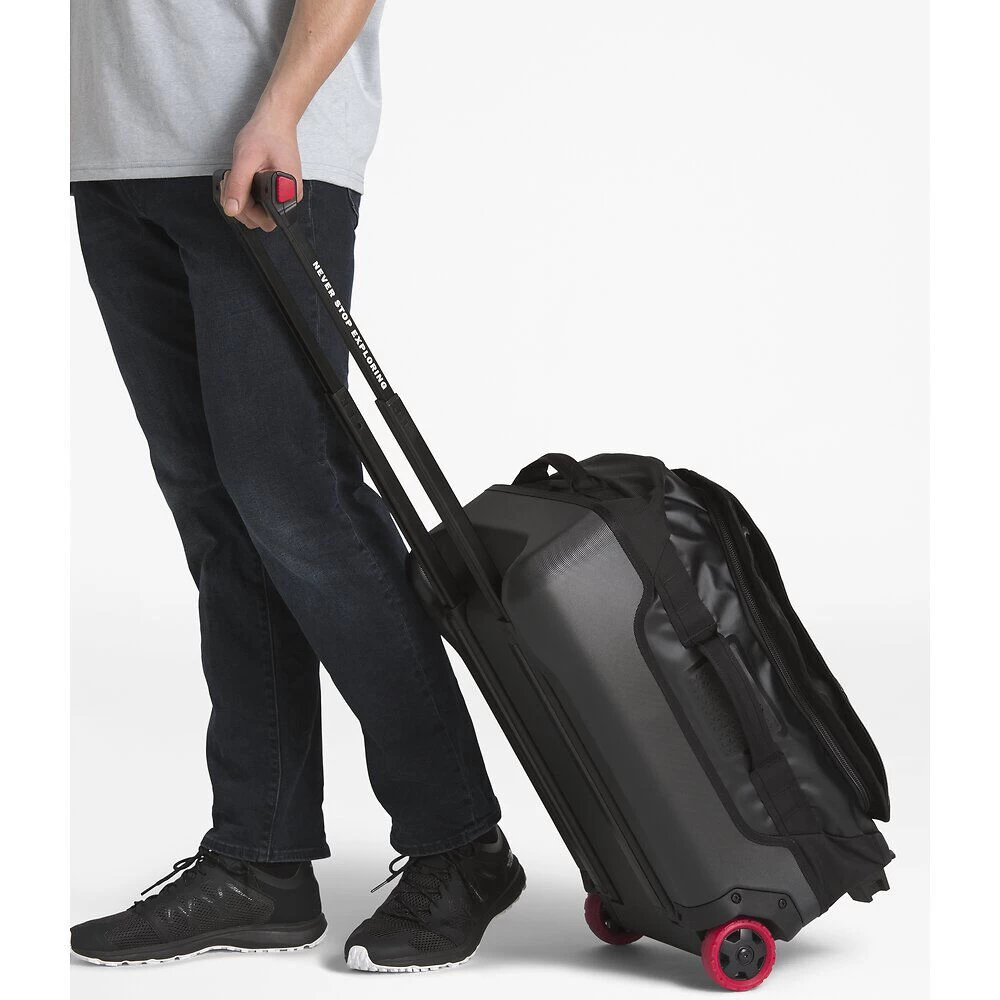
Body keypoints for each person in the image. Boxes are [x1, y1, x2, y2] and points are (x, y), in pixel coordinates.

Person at [69, 0, 524, 972]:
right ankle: (261, 860)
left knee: (297, 501)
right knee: (220, 517)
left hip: (266, 145)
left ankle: (460, 842)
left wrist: (281, 106)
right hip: (113, 153)